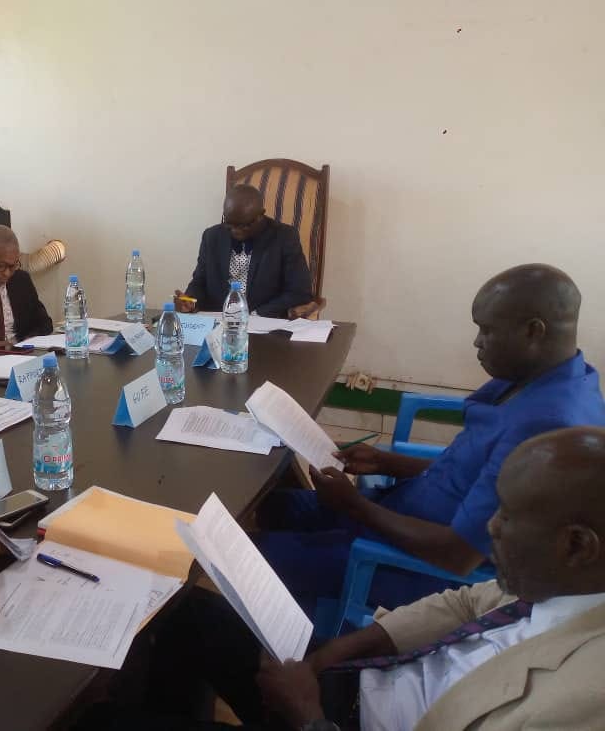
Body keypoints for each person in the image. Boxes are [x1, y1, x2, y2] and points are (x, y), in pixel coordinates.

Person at [80, 426, 605, 730]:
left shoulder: (582, 698)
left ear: (577, 545)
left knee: (98, 722)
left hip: (333, 720)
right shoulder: (555, 586)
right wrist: (327, 656)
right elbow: (464, 604)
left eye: (507, 518)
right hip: (357, 679)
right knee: (183, 611)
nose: (489, 528)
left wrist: (308, 716)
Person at [257, 263, 605, 617]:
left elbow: (458, 554)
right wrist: (387, 462)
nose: (477, 341)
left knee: (255, 556)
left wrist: (354, 506)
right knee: (273, 507)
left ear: (533, 331)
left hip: (410, 563)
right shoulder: (552, 378)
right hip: (398, 511)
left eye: (487, 331)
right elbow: (474, 469)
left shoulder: (546, 426)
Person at [174, 184, 313, 318]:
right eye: (229, 224)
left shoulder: (284, 237)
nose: (236, 231)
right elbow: (200, 281)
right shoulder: (212, 236)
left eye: (244, 225)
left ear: (261, 215)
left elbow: (300, 291)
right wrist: (190, 301)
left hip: (263, 320)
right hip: (217, 319)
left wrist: (256, 314)